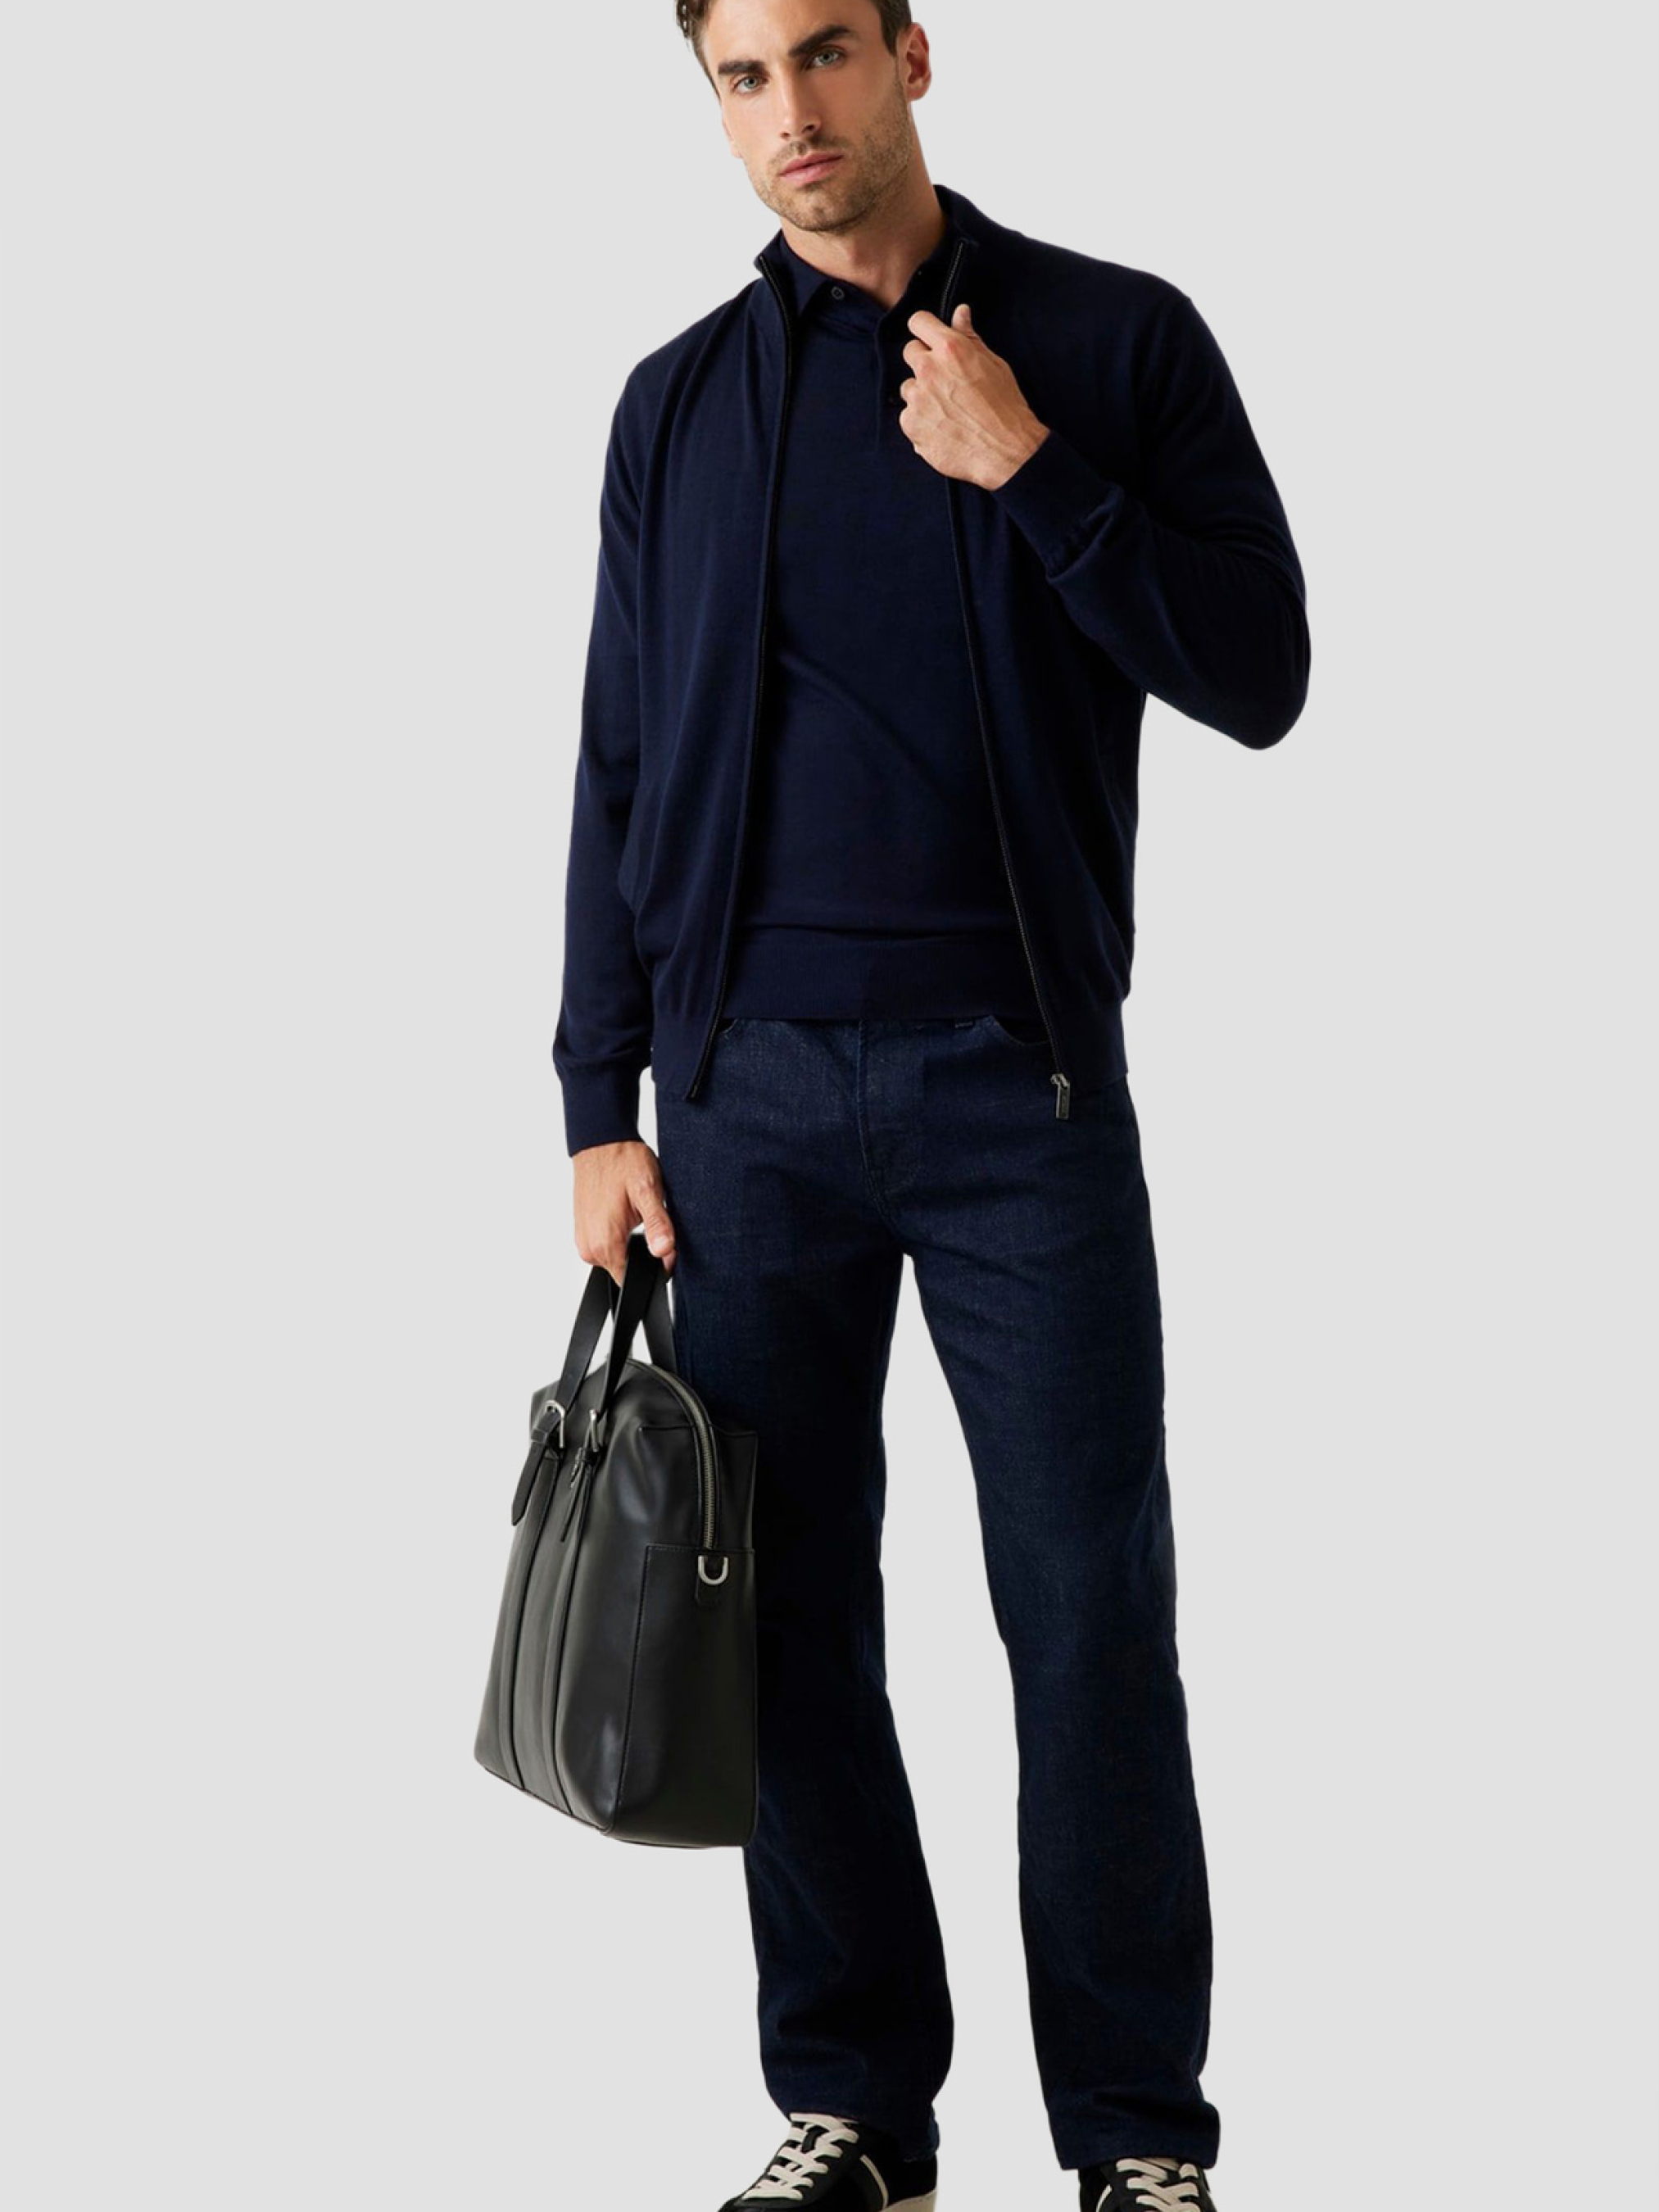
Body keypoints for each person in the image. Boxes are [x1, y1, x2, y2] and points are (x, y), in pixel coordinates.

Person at [551, 4, 1309, 2205]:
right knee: (779, 1617)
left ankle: (1136, 2139)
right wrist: (598, 1094)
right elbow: (615, 761)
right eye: (739, 78)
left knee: (1087, 1616)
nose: (788, 115)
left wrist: (1036, 469)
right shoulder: (677, 406)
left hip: (1019, 1092)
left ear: (908, 55)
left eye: (821, 54)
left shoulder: (1112, 339)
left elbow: (1261, 671)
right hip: (744, 1110)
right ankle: (858, 2107)